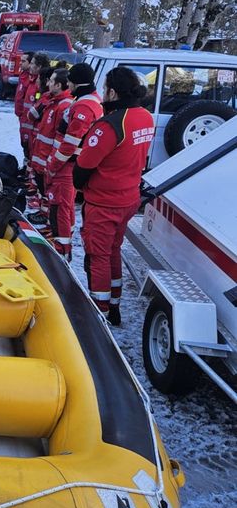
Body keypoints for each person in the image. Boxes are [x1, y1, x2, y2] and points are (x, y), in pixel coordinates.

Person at [74, 66, 155, 324]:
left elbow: (84, 166)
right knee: (113, 250)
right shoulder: (144, 116)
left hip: (104, 201)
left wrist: (79, 185)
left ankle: (100, 312)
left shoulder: (109, 125)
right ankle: (115, 303)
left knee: (97, 256)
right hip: (128, 198)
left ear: (112, 91)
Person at [45, 63, 103, 261]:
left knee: (60, 207)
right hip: (69, 164)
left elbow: (70, 142)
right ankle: (64, 242)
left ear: (76, 82)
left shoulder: (84, 106)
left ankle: (61, 249)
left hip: (66, 165)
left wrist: (53, 166)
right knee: (65, 206)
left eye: (69, 80)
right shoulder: (87, 101)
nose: (67, 83)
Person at [27, 66, 58, 227]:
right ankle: (43, 212)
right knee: (42, 184)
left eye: (52, 81)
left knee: (49, 190)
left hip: (49, 156)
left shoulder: (58, 105)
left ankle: (47, 218)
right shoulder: (49, 100)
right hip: (40, 149)